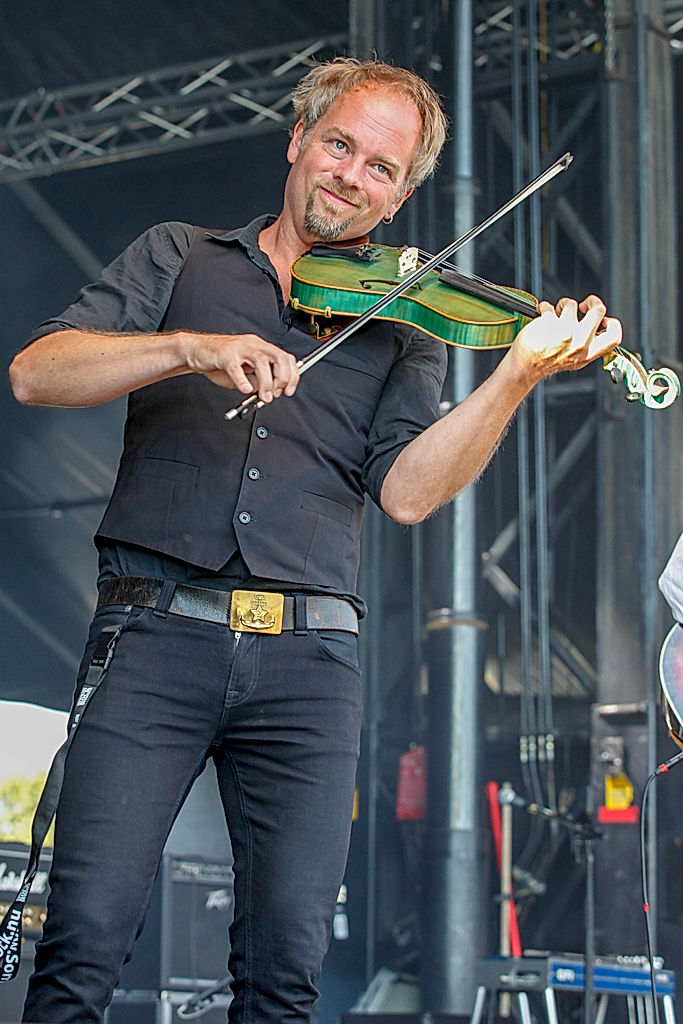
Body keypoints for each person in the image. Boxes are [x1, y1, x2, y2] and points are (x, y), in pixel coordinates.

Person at [8, 56, 621, 1024]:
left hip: (308, 663)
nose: (350, 176)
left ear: (402, 190)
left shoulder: (405, 322)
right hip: (151, 639)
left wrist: (513, 376)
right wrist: (188, 346)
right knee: (81, 944)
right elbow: (39, 374)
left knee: (284, 974)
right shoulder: (179, 254)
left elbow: (409, 495)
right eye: (338, 144)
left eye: (380, 167)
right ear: (298, 139)